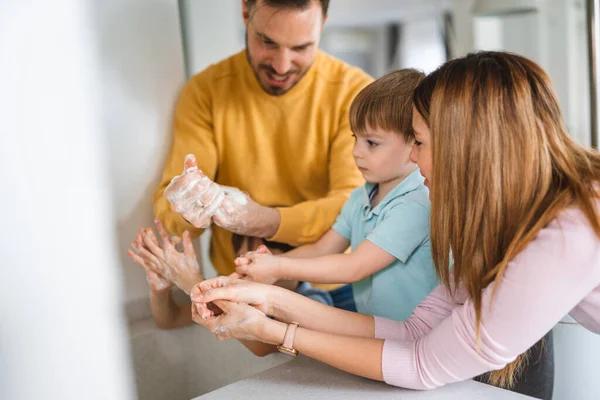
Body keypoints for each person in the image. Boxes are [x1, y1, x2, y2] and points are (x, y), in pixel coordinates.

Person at [187, 51, 600, 395]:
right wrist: (270, 300)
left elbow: (420, 363)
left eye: (419, 142)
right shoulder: (513, 224)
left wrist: (273, 330)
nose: (415, 159)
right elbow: (415, 329)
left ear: (467, 148)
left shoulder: (565, 231)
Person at [145, 0, 373, 313]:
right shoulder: (205, 93)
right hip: (246, 291)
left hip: (347, 283)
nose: (282, 65)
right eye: (267, 42)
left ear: (323, 25)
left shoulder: (355, 93)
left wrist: (262, 221)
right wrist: (190, 209)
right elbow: (168, 217)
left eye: (301, 47)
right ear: (244, 14)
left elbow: (355, 206)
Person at [234, 69, 439, 321]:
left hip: (418, 338)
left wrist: (278, 267)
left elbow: (355, 267)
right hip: (380, 330)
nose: (355, 152)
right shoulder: (361, 198)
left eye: (371, 143)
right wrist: (261, 264)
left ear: (414, 142)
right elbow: (323, 248)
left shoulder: (416, 202)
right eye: (356, 138)